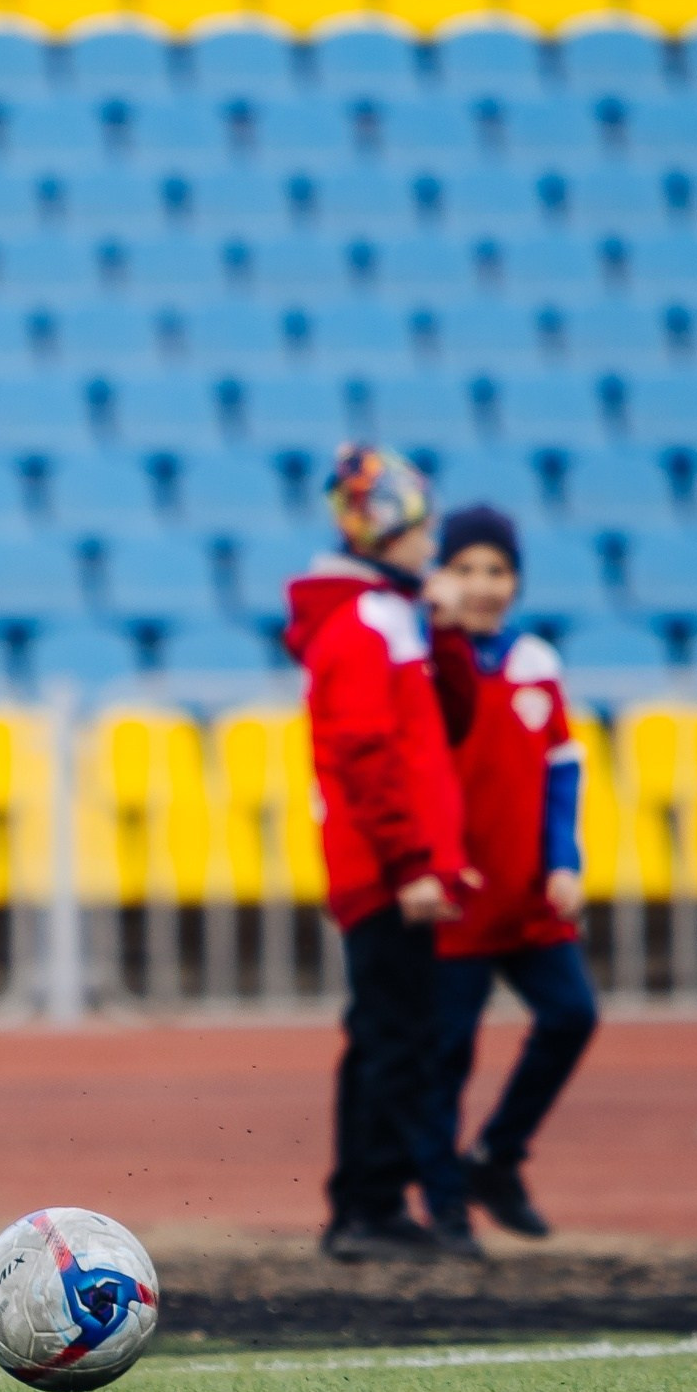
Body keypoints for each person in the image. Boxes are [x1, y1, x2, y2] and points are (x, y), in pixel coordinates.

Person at [284, 445, 480, 1262]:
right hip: (384, 871)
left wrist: (447, 631)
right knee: (394, 1038)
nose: (431, 533)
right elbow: (367, 755)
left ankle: (373, 1204)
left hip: (401, 866)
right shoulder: (364, 622)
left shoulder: (392, 615)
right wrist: (410, 864)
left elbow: (450, 719)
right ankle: (365, 1209)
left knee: (398, 1034)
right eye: (417, 518)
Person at [424, 504, 598, 1240]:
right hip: (456, 898)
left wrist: (564, 858)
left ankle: (496, 1154)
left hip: (526, 893)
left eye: (497, 569)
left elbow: (561, 769)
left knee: (572, 1015)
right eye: (466, 567)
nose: (483, 583)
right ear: (440, 576)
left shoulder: (536, 663)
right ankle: (442, 1205)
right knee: (447, 1053)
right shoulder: (427, 661)